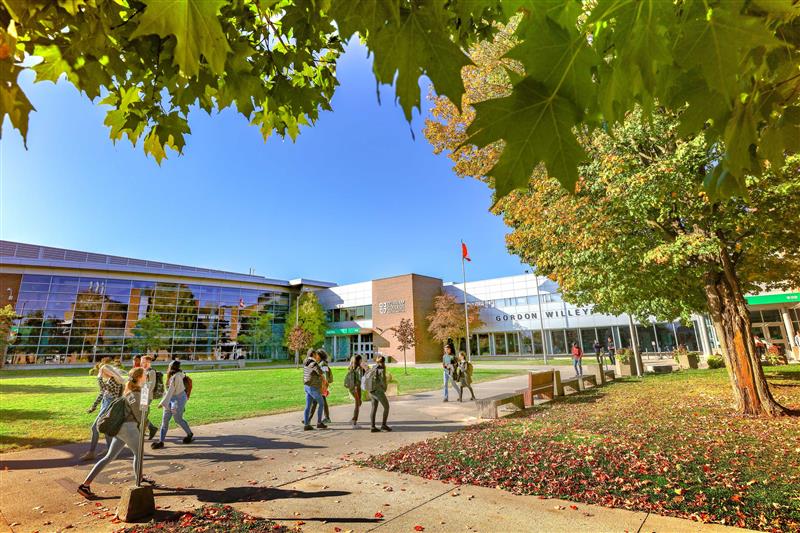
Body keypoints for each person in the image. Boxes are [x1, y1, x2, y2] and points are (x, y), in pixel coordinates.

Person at [77, 368, 155, 498]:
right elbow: (141, 414)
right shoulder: (136, 394)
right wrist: (146, 396)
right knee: (138, 454)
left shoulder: (129, 393)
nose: (147, 377)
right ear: (140, 378)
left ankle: (85, 485)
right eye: (145, 375)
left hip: (120, 430)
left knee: (109, 456)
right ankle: (139, 482)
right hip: (129, 429)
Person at [81, 359, 125, 461]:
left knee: (94, 428)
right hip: (104, 406)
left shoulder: (115, 381)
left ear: (106, 372)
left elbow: (102, 388)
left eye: (102, 372)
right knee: (105, 429)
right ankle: (111, 451)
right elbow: (102, 393)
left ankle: (91, 453)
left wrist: (99, 377)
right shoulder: (111, 380)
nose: (101, 374)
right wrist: (94, 406)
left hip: (108, 407)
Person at [151, 360, 193, 449]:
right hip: (171, 400)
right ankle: (161, 441)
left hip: (177, 400)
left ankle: (189, 434)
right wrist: (165, 402)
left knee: (178, 419)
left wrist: (162, 403)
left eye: (169, 366)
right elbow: (168, 392)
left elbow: (170, 391)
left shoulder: (176, 377)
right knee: (165, 420)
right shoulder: (174, 376)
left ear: (171, 367)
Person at [302, 349, 327, 430]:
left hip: (306, 386)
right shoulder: (313, 363)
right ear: (313, 354)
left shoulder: (305, 361)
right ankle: (319, 423)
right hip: (313, 387)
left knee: (308, 406)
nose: (317, 355)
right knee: (321, 403)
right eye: (316, 354)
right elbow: (320, 372)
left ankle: (306, 424)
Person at [308, 349, 333, 424]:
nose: (315, 356)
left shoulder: (323, 364)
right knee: (319, 401)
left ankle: (308, 419)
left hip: (321, 385)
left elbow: (324, 375)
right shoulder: (319, 363)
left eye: (317, 355)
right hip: (319, 385)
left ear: (320, 356)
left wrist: (323, 386)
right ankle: (326, 418)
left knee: (315, 401)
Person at [368, 355, 391, 432]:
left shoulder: (373, 367)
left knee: (374, 408)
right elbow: (383, 380)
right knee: (386, 407)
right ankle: (383, 425)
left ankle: (372, 427)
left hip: (371, 390)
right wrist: (384, 388)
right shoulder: (382, 368)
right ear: (383, 362)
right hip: (378, 391)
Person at [139, 356, 160, 439]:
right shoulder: (144, 371)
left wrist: (144, 394)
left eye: (143, 361)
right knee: (142, 414)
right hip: (142, 394)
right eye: (141, 361)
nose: (141, 363)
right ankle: (142, 431)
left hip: (146, 396)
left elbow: (152, 385)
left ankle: (152, 428)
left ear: (148, 362)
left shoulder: (151, 372)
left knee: (142, 414)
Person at [344, 354, 366, 428]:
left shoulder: (351, 368)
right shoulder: (359, 369)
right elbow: (360, 379)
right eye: (361, 360)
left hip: (352, 388)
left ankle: (354, 418)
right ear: (359, 360)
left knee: (358, 403)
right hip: (356, 388)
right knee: (357, 403)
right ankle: (354, 420)